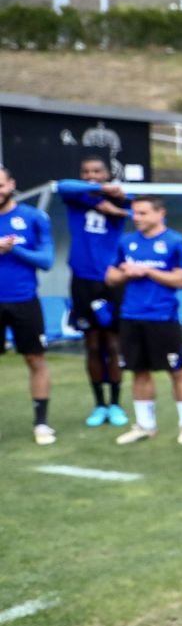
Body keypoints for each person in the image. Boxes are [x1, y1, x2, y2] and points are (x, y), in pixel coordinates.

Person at [103, 196, 182, 445]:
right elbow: (110, 277)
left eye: (143, 213)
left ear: (160, 213)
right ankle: (145, 425)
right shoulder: (126, 242)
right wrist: (125, 273)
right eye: (135, 213)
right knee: (138, 371)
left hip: (163, 316)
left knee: (176, 370)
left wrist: (148, 271)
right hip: (131, 316)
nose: (137, 218)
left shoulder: (176, 242)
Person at [56, 155, 131, 427]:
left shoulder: (119, 197)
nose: (91, 175)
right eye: (86, 171)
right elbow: (63, 186)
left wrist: (118, 207)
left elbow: (134, 207)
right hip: (82, 280)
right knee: (92, 344)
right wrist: (100, 190)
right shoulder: (76, 197)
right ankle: (99, 404)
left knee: (113, 343)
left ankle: (116, 404)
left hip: (110, 279)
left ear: (107, 173)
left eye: (97, 171)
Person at [0, 164, 57, 444]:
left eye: (0, 185)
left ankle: (42, 423)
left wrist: (14, 248)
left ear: (11, 185)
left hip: (24, 300)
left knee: (35, 359)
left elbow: (46, 261)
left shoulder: (34, 217)